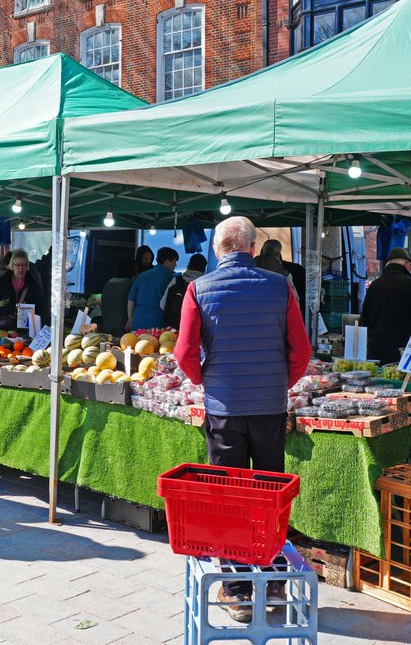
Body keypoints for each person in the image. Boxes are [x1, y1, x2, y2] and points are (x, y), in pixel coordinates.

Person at [173, 216, 312, 622]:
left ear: (219, 249)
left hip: (224, 409)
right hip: (269, 406)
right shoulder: (280, 286)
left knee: (229, 496)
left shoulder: (198, 288)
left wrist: (206, 379)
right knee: (270, 493)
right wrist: (281, 381)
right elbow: (301, 350)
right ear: (251, 248)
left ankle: (237, 591)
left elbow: (184, 352)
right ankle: (273, 582)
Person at [360, 247, 411, 364]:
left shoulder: (374, 286)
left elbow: (365, 318)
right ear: (405, 263)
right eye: (410, 267)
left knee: (379, 381)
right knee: (406, 382)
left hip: (377, 350)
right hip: (407, 352)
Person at [0, 249, 48, 331]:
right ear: (12, 266)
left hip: (26, 329)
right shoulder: (2, 282)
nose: (20, 269)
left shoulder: (34, 285)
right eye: (17, 265)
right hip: (4, 327)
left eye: (23, 265)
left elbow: (41, 308)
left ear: (27, 266)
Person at [127, 247, 179, 330]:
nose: (175, 265)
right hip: (159, 327)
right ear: (167, 262)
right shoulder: (173, 278)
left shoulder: (141, 276)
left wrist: (131, 320)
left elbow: (131, 301)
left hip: (138, 324)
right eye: (175, 262)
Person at [161, 254, 207, 329]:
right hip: (195, 328)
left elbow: (162, 305)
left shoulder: (176, 280)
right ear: (204, 267)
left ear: (189, 264)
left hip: (174, 328)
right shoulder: (205, 284)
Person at [100, 257, 136, 337]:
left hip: (108, 326)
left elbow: (103, 306)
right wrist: (130, 320)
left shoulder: (108, 283)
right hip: (124, 329)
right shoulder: (130, 284)